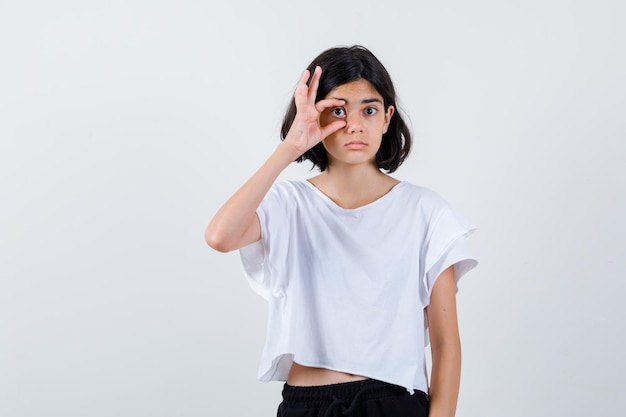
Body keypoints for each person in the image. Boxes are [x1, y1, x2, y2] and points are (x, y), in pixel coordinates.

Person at [205, 45, 477, 417]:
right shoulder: (289, 204)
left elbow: (446, 344)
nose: (354, 125)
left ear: (387, 117)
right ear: (315, 116)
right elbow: (220, 236)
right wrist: (290, 147)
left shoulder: (426, 212)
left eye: (369, 109)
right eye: (336, 110)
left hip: (393, 404)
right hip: (308, 404)